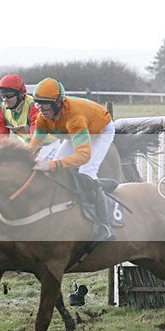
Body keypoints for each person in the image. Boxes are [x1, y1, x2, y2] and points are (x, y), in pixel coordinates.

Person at [28, 77, 117, 241]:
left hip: (100, 130)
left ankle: (106, 226)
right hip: (75, 131)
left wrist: (51, 164)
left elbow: (83, 156)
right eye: (37, 103)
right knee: (56, 171)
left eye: (44, 103)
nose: (40, 108)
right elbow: (34, 145)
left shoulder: (74, 117)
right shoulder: (42, 118)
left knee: (86, 172)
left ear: (57, 103)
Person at [0, 74, 38, 151]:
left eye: (9, 95)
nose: (5, 99)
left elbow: (36, 137)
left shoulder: (33, 106)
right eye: (2, 95)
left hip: (50, 143)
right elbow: (0, 138)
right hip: (29, 145)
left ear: (21, 94)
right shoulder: (2, 109)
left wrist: (31, 150)